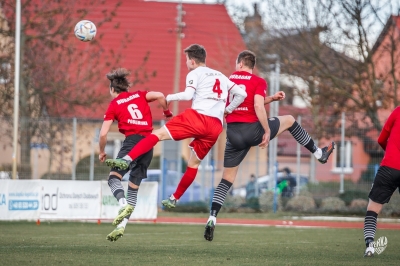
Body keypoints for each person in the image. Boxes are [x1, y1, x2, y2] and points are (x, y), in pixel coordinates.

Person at [203, 50, 335, 241]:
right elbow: (256, 106)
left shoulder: (228, 80)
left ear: (240, 64)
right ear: (251, 66)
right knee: (289, 120)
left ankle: (212, 217)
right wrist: (266, 130)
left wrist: (271, 98)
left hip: (232, 134)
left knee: (226, 179)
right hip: (252, 131)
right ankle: (317, 153)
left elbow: (239, 102)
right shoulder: (258, 81)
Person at [105, 44, 247, 208]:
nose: (186, 63)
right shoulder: (222, 76)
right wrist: (228, 109)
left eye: (187, 60)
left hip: (198, 118)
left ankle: (126, 159)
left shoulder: (195, 73)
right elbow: (242, 94)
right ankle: (174, 198)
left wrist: (170, 97)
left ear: (192, 61)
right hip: (216, 126)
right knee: (194, 164)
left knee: (156, 134)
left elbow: (188, 95)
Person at [98, 68, 171, 242]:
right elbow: (161, 95)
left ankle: (123, 204)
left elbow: (102, 134)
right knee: (133, 188)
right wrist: (166, 112)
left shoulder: (114, 105)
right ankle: (121, 227)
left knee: (113, 179)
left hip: (132, 143)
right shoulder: (140, 95)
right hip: (149, 144)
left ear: (112, 90)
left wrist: (102, 151)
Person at [363, 106, 400, 257]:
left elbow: (381, 139)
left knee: (372, 209)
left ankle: (370, 246)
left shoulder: (398, 111)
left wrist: (391, 152)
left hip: (389, 167)